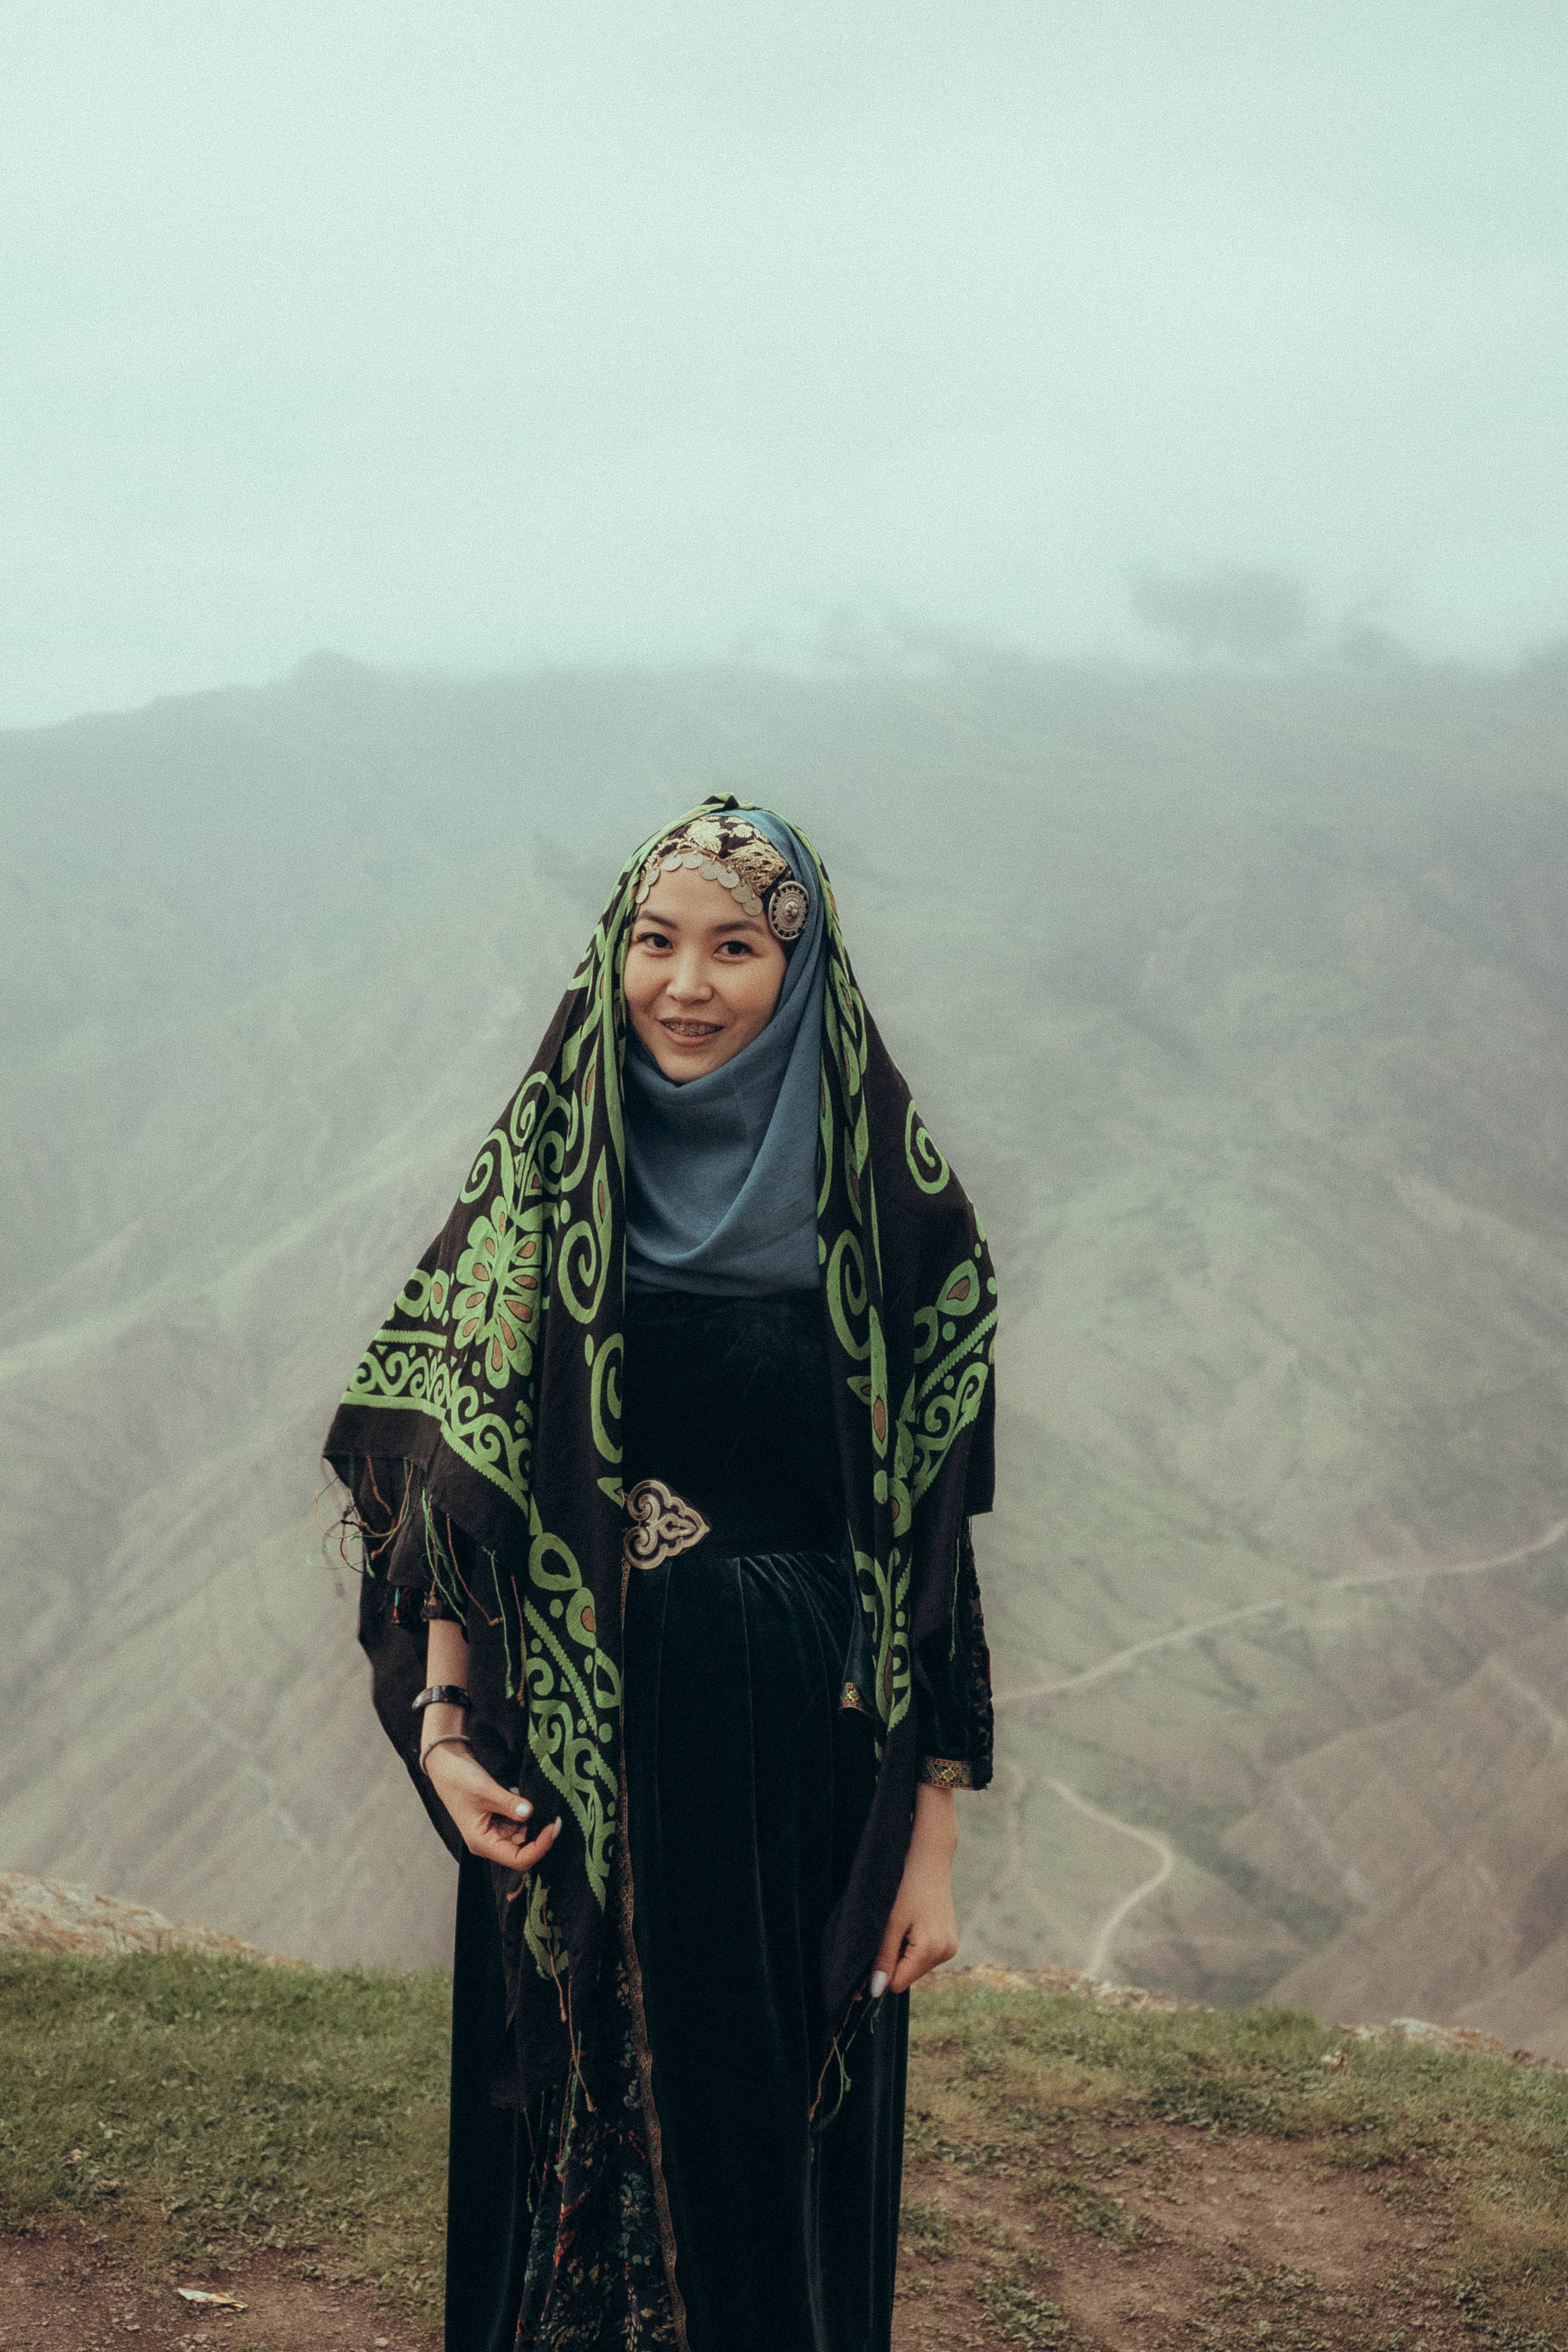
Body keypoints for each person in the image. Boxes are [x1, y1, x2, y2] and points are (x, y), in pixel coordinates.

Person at [326, 801, 997, 2352]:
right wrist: (443, 1724)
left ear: (801, 970)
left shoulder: (895, 1215)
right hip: (566, 1741)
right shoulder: (550, 1173)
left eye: (734, 949)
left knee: (754, 2152)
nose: (683, 986)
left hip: (792, 1766)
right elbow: (459, 1481)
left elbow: (930, 1549)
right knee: (570, 2112)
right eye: (653, 941)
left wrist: (930, 1837)